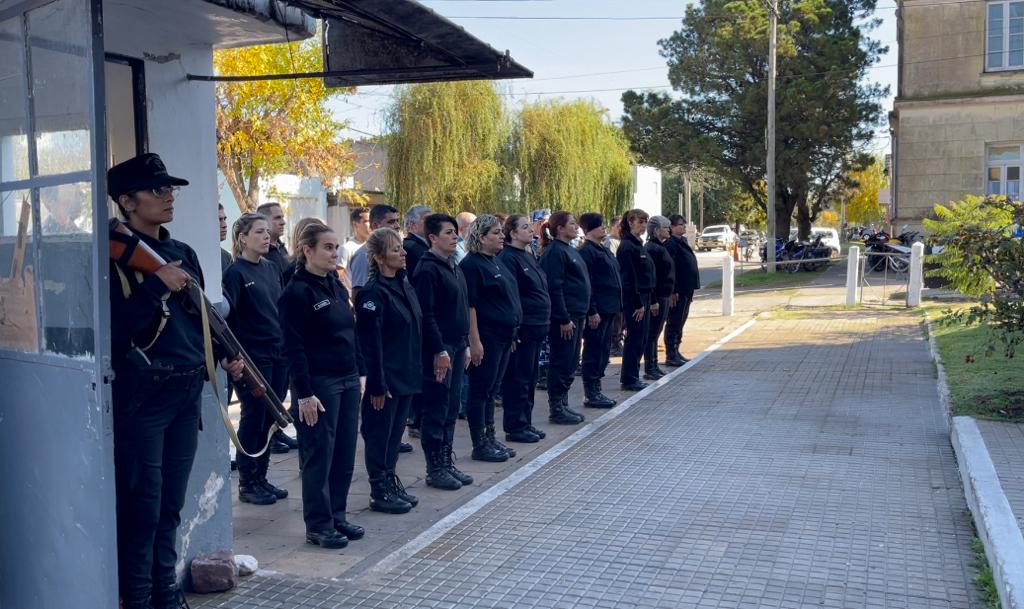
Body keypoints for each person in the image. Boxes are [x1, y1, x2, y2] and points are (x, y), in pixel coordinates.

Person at [107, 153, 244, 609]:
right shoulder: (112, 255)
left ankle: (165, 592)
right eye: (157, 189)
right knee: (142, 506)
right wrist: (156, 284)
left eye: (170, 190)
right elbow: (115, 329)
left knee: (170, 505)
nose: (168, 197)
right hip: (142, 397)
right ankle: (138, 596)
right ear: (127, 201)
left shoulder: (182, 251)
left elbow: (198, 321)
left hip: (186, 391)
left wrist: (226, 357)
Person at [278, 223, 366, 549]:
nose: (334, 253)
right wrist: (304, 393)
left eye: (336, 247)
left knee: (344, 453)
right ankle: (318, 524)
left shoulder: (335, 284)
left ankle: (337, 515)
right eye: (327, 247)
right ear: (308, 250)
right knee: (320, 455)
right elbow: (293, 348)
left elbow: (351, 331)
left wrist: (361, 371)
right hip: (320, 383)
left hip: (347, 378)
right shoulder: (297, 292)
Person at [223, 213, 289, 505]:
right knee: (254, 417)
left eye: (267, 231)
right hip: (253, 357)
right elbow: (228, 321)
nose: (266, 236)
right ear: (242, 238)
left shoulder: (271, 267)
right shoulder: (235, 274)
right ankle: (248, 482)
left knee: (271, 418)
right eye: (259, 232)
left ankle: (262, 477)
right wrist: (233, 358)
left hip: (278, 352)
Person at [355, 228, 423, 514]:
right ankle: (379, 489)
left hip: (406, 374)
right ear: (379, 257)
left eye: (401, 247)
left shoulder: (403, 283)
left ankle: (390, 480)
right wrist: (377, 384)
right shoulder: (373, 293)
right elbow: (370, 344)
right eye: (396, 249)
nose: (403, 253)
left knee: (395, 436)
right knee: (379, 435)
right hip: (386, 378)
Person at [411, 213, 474, 490]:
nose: (455, 237)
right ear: (432, 238)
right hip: (441, 347)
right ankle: (434, 467)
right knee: (436, 406)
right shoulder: (427, 269)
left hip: (457, 344)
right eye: (448, 232)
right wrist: (438, 350)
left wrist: (466, 343)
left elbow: (461, 307)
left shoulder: (452, 265)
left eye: (455, 232)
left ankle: (446, 461)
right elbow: (427, 315)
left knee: (450, 407)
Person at [461, 215, 522, 461]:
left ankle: (490, 436)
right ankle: (480, 443)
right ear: (481, 237)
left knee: (492, 390)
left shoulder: (496, 261)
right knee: (481, 390)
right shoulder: (472, 265)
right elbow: (470, 306)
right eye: (496, 233)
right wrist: (474, 341)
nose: (501, 237)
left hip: (505, 335)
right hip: (487, 337)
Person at [497, 214, 550, 442]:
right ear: (512, 233)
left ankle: (526, 422)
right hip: (524, 328)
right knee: (518, 378)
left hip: (538, 326)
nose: (531, 230)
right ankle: (515, 426)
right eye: (525, 227)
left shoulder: (528, 255)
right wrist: (515, 328)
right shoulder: (508, 258)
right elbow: (512, 295)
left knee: (530, 378)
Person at [538, 211, 591, 425]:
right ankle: (556, 407)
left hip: (577, 315)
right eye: (571, 223)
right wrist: (563, 318)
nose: (576, 227)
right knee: (561, 361)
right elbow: (555, 287)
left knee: (570, 362)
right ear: (559, 228)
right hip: (565, 318)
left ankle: (564, 402)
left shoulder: (569, 250)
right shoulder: (554, 252)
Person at [577, 212, 621, 409]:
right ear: (588, 230)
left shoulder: (602, 249)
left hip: (610, 307)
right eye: (598, 225)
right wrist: (592, 310)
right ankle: (591, 392)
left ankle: (597, 387)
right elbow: (589, 284)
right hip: (598, 310)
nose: (603, 228)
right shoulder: (587, 252)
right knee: (594, 350)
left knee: (603, 350)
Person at [616, 209, 655, 392]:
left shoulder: (638, 244)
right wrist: (638, 302)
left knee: (642, 338)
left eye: (645, 222)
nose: (644, 226)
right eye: (640, 222)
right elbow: (629, 278)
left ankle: (633, 375)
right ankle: (629, 378)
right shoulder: (627, 246)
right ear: (630, 223)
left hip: (645, 297)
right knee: (635, 338)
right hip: (635, 299)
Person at [664, 214, 701, 365]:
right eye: (680, 224)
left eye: (684, 224)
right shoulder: (671, 244)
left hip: (687, 287)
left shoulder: (682, 241)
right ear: (672, 227)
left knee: (681, 320)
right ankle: (671, 353)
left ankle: (676, 349)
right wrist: (673, 291)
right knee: (674, 321)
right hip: (678, 290)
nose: (683, 227)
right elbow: (671, 268)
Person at [643, 216, 675, 381]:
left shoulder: (660, 247)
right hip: (658, 296)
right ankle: (650, 366)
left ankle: (654, 365)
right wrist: (654, 299)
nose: (669, 230)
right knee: (652, 333)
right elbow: (651, 277)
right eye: (665, 227)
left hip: (664, 295)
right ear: (656, 230)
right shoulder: (653, 249)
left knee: (656, 331)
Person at [348, 204, 401, 299]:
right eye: (391, 222)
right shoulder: (363, 254)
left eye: (397, 221)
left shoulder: (399, 250)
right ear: (376, 225)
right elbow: (358, 293)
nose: (397, 226)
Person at [339, 206, 370, 288]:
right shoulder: (346, 248)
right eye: (367, 221)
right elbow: (338, 278)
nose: (371, 225)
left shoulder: (375, 246)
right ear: (355, 224)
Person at [256, 201, 288, 274]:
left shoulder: (282, 248)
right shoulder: (257, 253)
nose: (283, 222)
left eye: (282, 217)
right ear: (263, 221)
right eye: (277, 218)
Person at [402, 204, 432, 276]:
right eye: (428, 220)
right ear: (413, 225)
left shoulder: (422, 245)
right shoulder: (409, 247)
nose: (433, 223)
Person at [218, 203, 232, 273]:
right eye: (219, 219)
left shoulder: (227, 257)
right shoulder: (192, 254)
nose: (224, 225)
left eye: (224, 219)